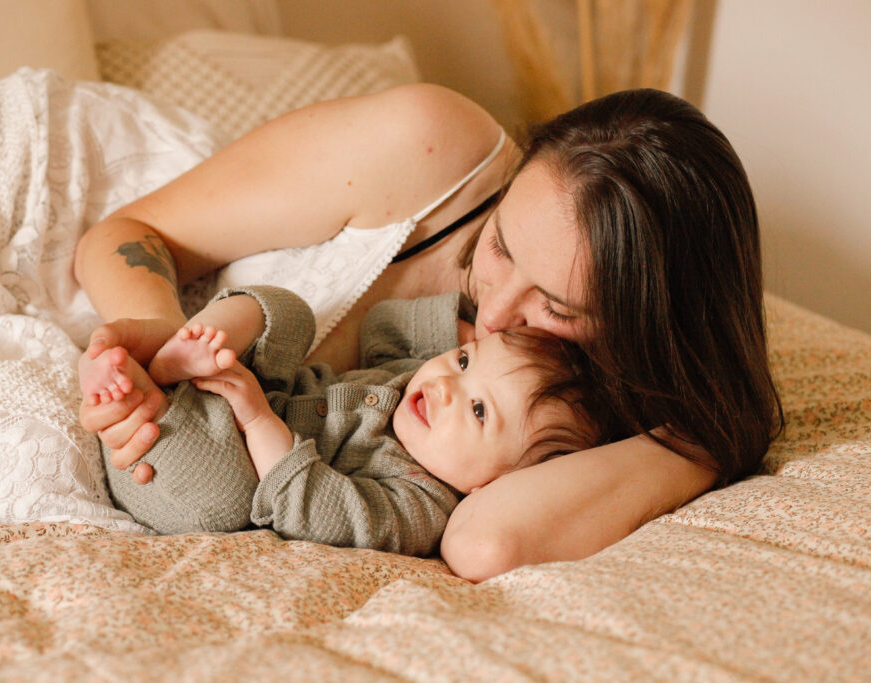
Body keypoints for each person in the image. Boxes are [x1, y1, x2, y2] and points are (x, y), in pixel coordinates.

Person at [74, 84, 782, 580]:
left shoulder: (571, 414)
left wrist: (701, 439)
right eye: (502, 245)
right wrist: (163, 348)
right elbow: (126, 233)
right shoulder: (428, 145)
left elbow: (484, 542)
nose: (495, 314)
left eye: (559, 309)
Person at [82, 285, 606, 556]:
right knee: (289, 311)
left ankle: (138, 393)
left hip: (208, 473)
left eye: (478, 410)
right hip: (242, 385)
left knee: (222, 500)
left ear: (491, 485)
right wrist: (465, 332)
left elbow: (318, 513)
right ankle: (185, 347)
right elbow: (386, 324)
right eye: (466, 361)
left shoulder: (421, 503)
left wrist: (258, 418)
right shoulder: (412, 385)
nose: (446, 384)